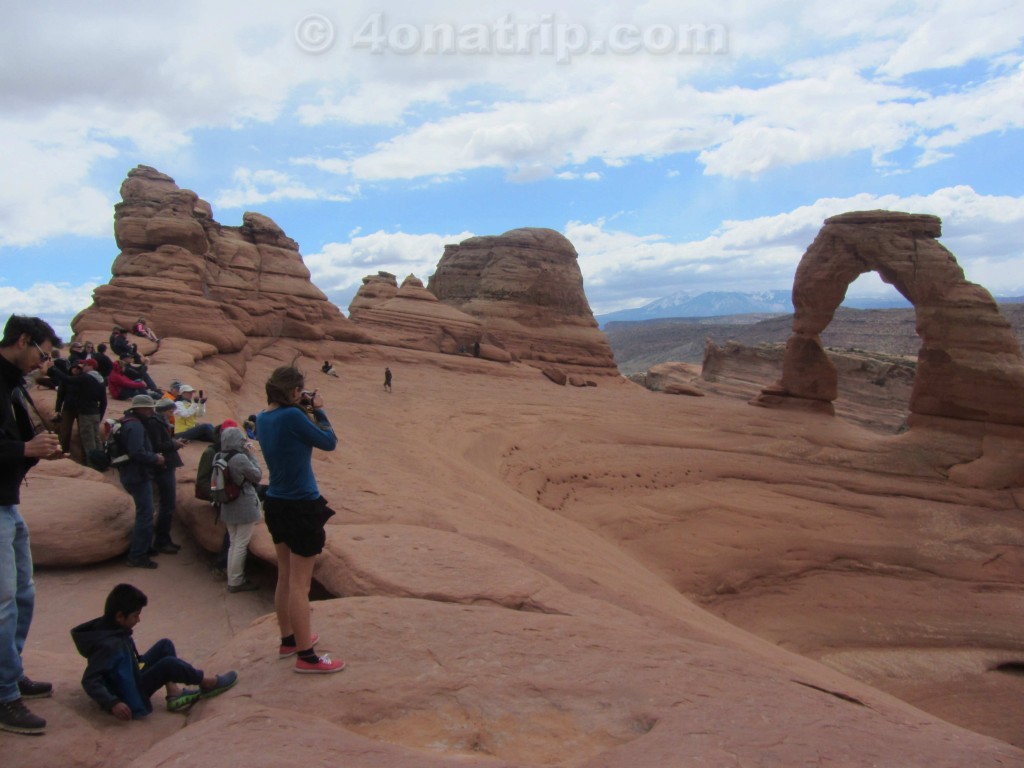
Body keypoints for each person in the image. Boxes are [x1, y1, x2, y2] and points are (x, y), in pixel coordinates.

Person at [256, 366, 344, 674]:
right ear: (293, 391)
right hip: (301, 506)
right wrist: (320, 411)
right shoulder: (293, 417)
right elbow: (329, 442)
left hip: (276, 503)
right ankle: (307, 657)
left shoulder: (262, 419)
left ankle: (289, 639)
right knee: (300, 584)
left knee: (285, 575)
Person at [0, 315, 62, 736]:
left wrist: (34, 447)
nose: (42, 362)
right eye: (41, 353)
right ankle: (5, 695)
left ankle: (11, 670)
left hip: (7, 501)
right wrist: (24, 447)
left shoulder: (12, 383)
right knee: (3, 601)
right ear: (23, 340)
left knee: (23, 592)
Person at [71, 584, 237, 719]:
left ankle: (174, 694)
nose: (138, 620)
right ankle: (207, 683)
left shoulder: (111, 627)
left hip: (131, 675)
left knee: (165, 645)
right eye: (135, 616)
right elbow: (90, 680)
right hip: (128, 694)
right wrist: (113, 702)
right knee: (168, 665)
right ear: (120, 616)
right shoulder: (109, 645)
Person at [116, 395, 166, 569]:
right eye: (148, 409)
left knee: (146, 511)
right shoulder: (135, 426)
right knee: (145, 513)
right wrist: (155, 458)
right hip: (137, 474)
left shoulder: (127, 421)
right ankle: (137, 555)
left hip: (133, 473)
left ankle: (144, 547)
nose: (151, 412)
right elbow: (137, 452)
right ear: (139, 409)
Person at [218, 427, 263, 593]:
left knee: (233, 542)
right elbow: (257, 475)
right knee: (240, 544)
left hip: (227, 503)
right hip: (243, 504)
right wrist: (251, 454)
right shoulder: (239, 458)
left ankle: (233, 577)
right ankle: (236, 581)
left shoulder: (219, 455)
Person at [148, 400, 184, 554]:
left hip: (163, 465)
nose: (171, 414)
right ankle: (162, 540)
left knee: (165, 504)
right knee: (167, 504)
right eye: (170, 411)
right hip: (163, 466)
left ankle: (164, 538)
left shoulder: (157, 421)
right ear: (163, 411)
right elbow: (157, 445)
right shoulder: (156, 423)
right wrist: (174, 444)